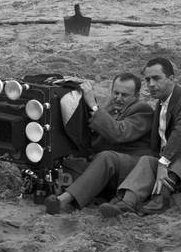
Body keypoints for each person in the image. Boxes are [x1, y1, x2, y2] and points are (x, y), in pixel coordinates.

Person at [99, 57, 181, 218]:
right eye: (147, 80)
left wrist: (164, 162)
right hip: (178, 174)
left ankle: (161, 197)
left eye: (156, 78)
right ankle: (127, 202)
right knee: (148, 159)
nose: (151, 84)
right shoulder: (160, 105)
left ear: (171, 79)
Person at [45, 73, 156, 214]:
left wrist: (93, 105)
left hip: (133, 170)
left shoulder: (143, 110)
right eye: (116, 93)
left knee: (106, 157)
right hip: (108, 166)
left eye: (125, 95)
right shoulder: (111, 107)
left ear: (137, 96)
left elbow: (118, 133)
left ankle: (62, 201)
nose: (118, 98)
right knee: (69, 161)